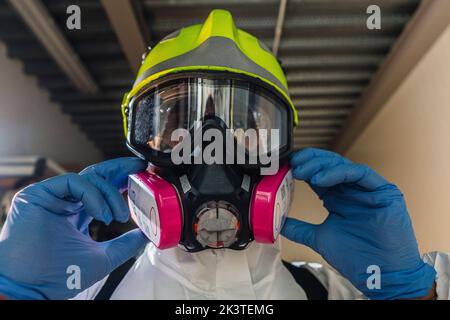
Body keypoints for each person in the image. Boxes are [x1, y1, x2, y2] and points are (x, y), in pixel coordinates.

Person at [0, 10, 448, 300]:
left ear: (281, 146)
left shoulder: (341, 293)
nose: (211, 149)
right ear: (141, 145)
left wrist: (414, 293)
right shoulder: (82, 294)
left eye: (246, 127)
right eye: (179, 124)